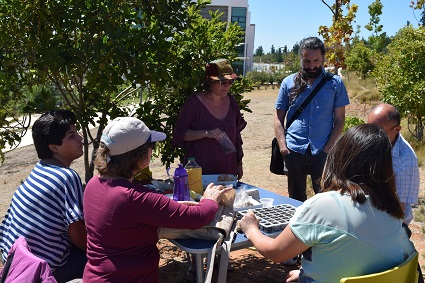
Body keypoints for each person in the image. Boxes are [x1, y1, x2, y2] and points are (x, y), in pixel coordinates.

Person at [239, 124, 416, 283]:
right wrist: (304, 275)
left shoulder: (325, 205)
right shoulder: (393, 210)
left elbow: (276, 253)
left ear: (341, 157)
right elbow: (358, 258)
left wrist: (251, 229)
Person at [82, 116, 232, 283]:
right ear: (139, 156)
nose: (152, 150)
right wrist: (209, 200)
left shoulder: (93, 184)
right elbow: (198, 217)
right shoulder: (135, 198)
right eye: (151, 146)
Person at [0, 110, 87, 283]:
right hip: (44, 270)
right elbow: (79, 237)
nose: (80, 138)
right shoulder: (66, 177)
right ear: (53, 147)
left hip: (16, 262)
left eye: (77, 133)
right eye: (71, 136)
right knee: (111, 256)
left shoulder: (40, 169)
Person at [274, 37, 349, 202]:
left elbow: (340, 120)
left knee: (325, 200)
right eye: (307, 61)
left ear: (323, 58)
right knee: (295, 200)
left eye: (316, 60)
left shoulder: (335, 83)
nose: (312, 65)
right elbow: (278, 118)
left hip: (322, 150)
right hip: (294, 149)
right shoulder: (288, 82)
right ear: (301, 58)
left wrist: (328, 149)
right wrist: (283, 148)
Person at [172, 58, 247, 180]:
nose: (227, 86)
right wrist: (207, 133)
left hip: (228, 169)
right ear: (210, 82)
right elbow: (180, 133)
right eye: (223, 82)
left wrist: (239, 163)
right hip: (199, 170)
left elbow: (236, 137)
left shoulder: (231, 101)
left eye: (230, 81)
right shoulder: (194, 103)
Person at [367, 103, 420, 227]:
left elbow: (399, 208)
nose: (369, 135)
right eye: (368, 128)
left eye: (377, 132)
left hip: (392, 223)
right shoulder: (371, 141)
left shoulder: (406, 160)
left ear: (396, 130)